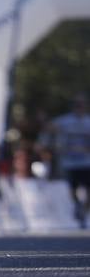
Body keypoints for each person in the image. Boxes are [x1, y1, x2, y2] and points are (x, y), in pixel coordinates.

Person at [43, 93, 90, 228]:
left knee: (88, 189)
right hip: (70, 161)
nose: (79, 107)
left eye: (82, 105)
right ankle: (77, 205)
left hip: (87, 162)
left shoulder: (88, 121)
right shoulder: (65, 121)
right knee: (72, 188)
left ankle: (83, 211)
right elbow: (49, 128)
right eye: (77, 105)